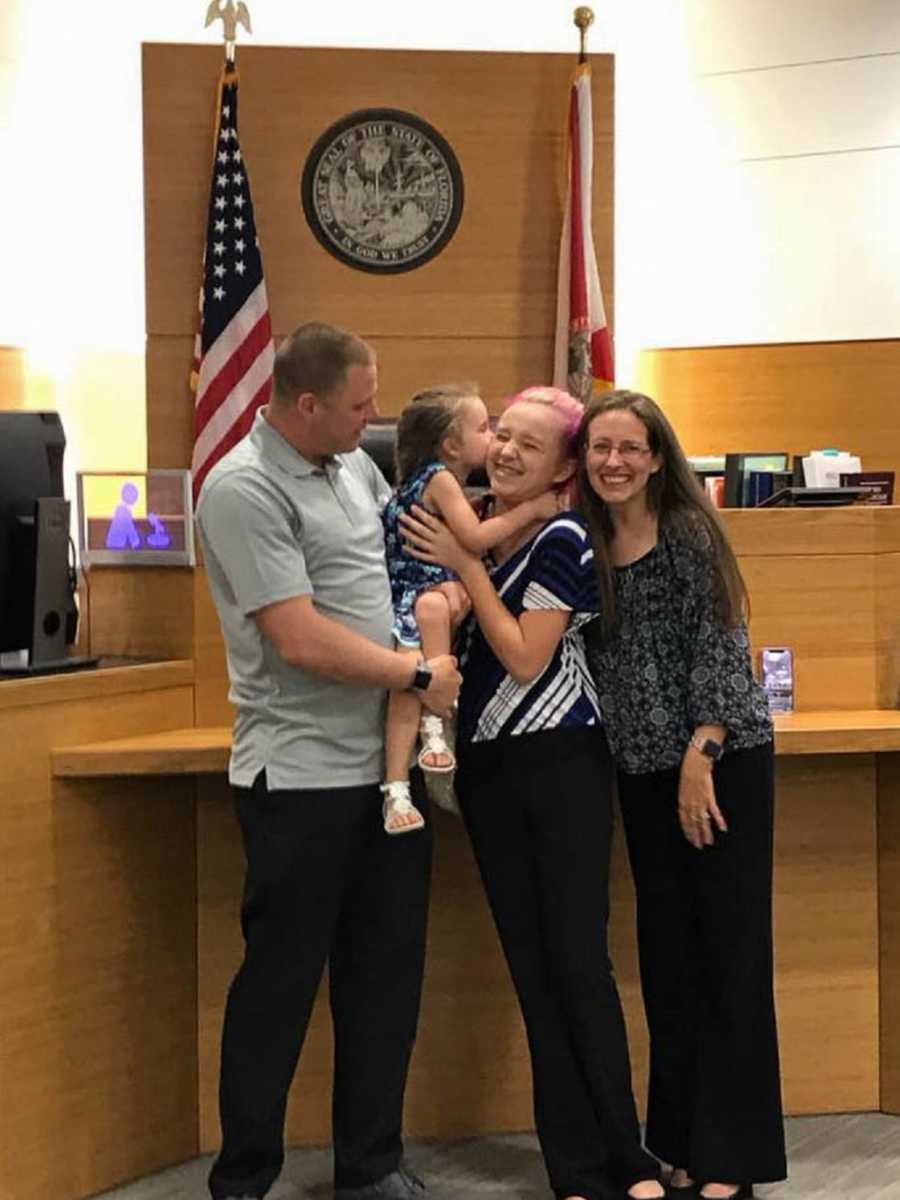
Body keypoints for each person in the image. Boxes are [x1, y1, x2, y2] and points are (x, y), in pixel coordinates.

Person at [195, 321, 461, 1200]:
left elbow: (397, 566)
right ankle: (244, 1178)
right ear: (304, 404)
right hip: (300, 780)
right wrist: (418, 671)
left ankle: (370, 1166)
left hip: (385, 777)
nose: (373, 418)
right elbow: (298, 638)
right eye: (358, 405)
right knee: (279, 986)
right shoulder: (240, 489)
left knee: (385, 980)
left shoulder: (354, 465)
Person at [400, 386, 664, 1200]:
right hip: (490, 772)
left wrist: (466, 566)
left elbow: (521, 656)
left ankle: (629, 1156)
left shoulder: (561, 538)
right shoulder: (474, 518)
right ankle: (574, 1168)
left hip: (562, 763)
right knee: (532, 974)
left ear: (562, 471)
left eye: (530, 445)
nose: (507, 451)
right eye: (501, 435)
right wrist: (460, 563)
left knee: (579, 965)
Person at [575, 390, 787, 1200]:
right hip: (640, 774)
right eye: (601, 448)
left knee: (729, 956)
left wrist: (703, 751)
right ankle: (681, 1141)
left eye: (631, 447)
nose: (615, 462)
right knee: (668, 963)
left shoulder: (692, 535)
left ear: (659, 457)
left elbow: (721, 647)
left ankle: (734, 1157)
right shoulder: (587, 543)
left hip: (719, 763)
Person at [380, 383, 561, 834]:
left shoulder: (436, 482)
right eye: (485, 429)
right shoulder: (440, 479)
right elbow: (476, 540)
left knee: (407, 686)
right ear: (451, 444)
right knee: (423, 669)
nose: (495, 440)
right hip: (419, 593)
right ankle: (435, 725)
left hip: (416, 596)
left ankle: (398, 786)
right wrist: (534, 509)